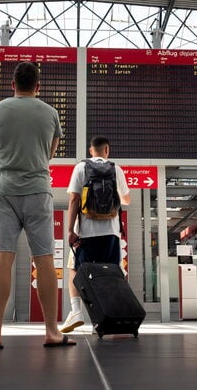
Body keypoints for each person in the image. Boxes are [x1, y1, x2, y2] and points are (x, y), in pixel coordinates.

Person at [0, 61, 75, 349]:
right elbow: (49, 153)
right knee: (44, 259)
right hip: (38, 191)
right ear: (38, 86)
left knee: (2, 258)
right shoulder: (51, 113)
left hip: (3, 191)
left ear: (13, 85)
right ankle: (52, 331)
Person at [61, 136, 130, 333]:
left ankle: (76, 312)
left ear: (91, 150)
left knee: (75, 269)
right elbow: (126, 200)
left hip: (86, 232)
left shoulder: (81, 168)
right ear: (107, 150)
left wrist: (70, 231)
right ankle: (103, 319)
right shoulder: (116, 169)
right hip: (111, 233)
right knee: (109, 274)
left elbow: (74, 200)